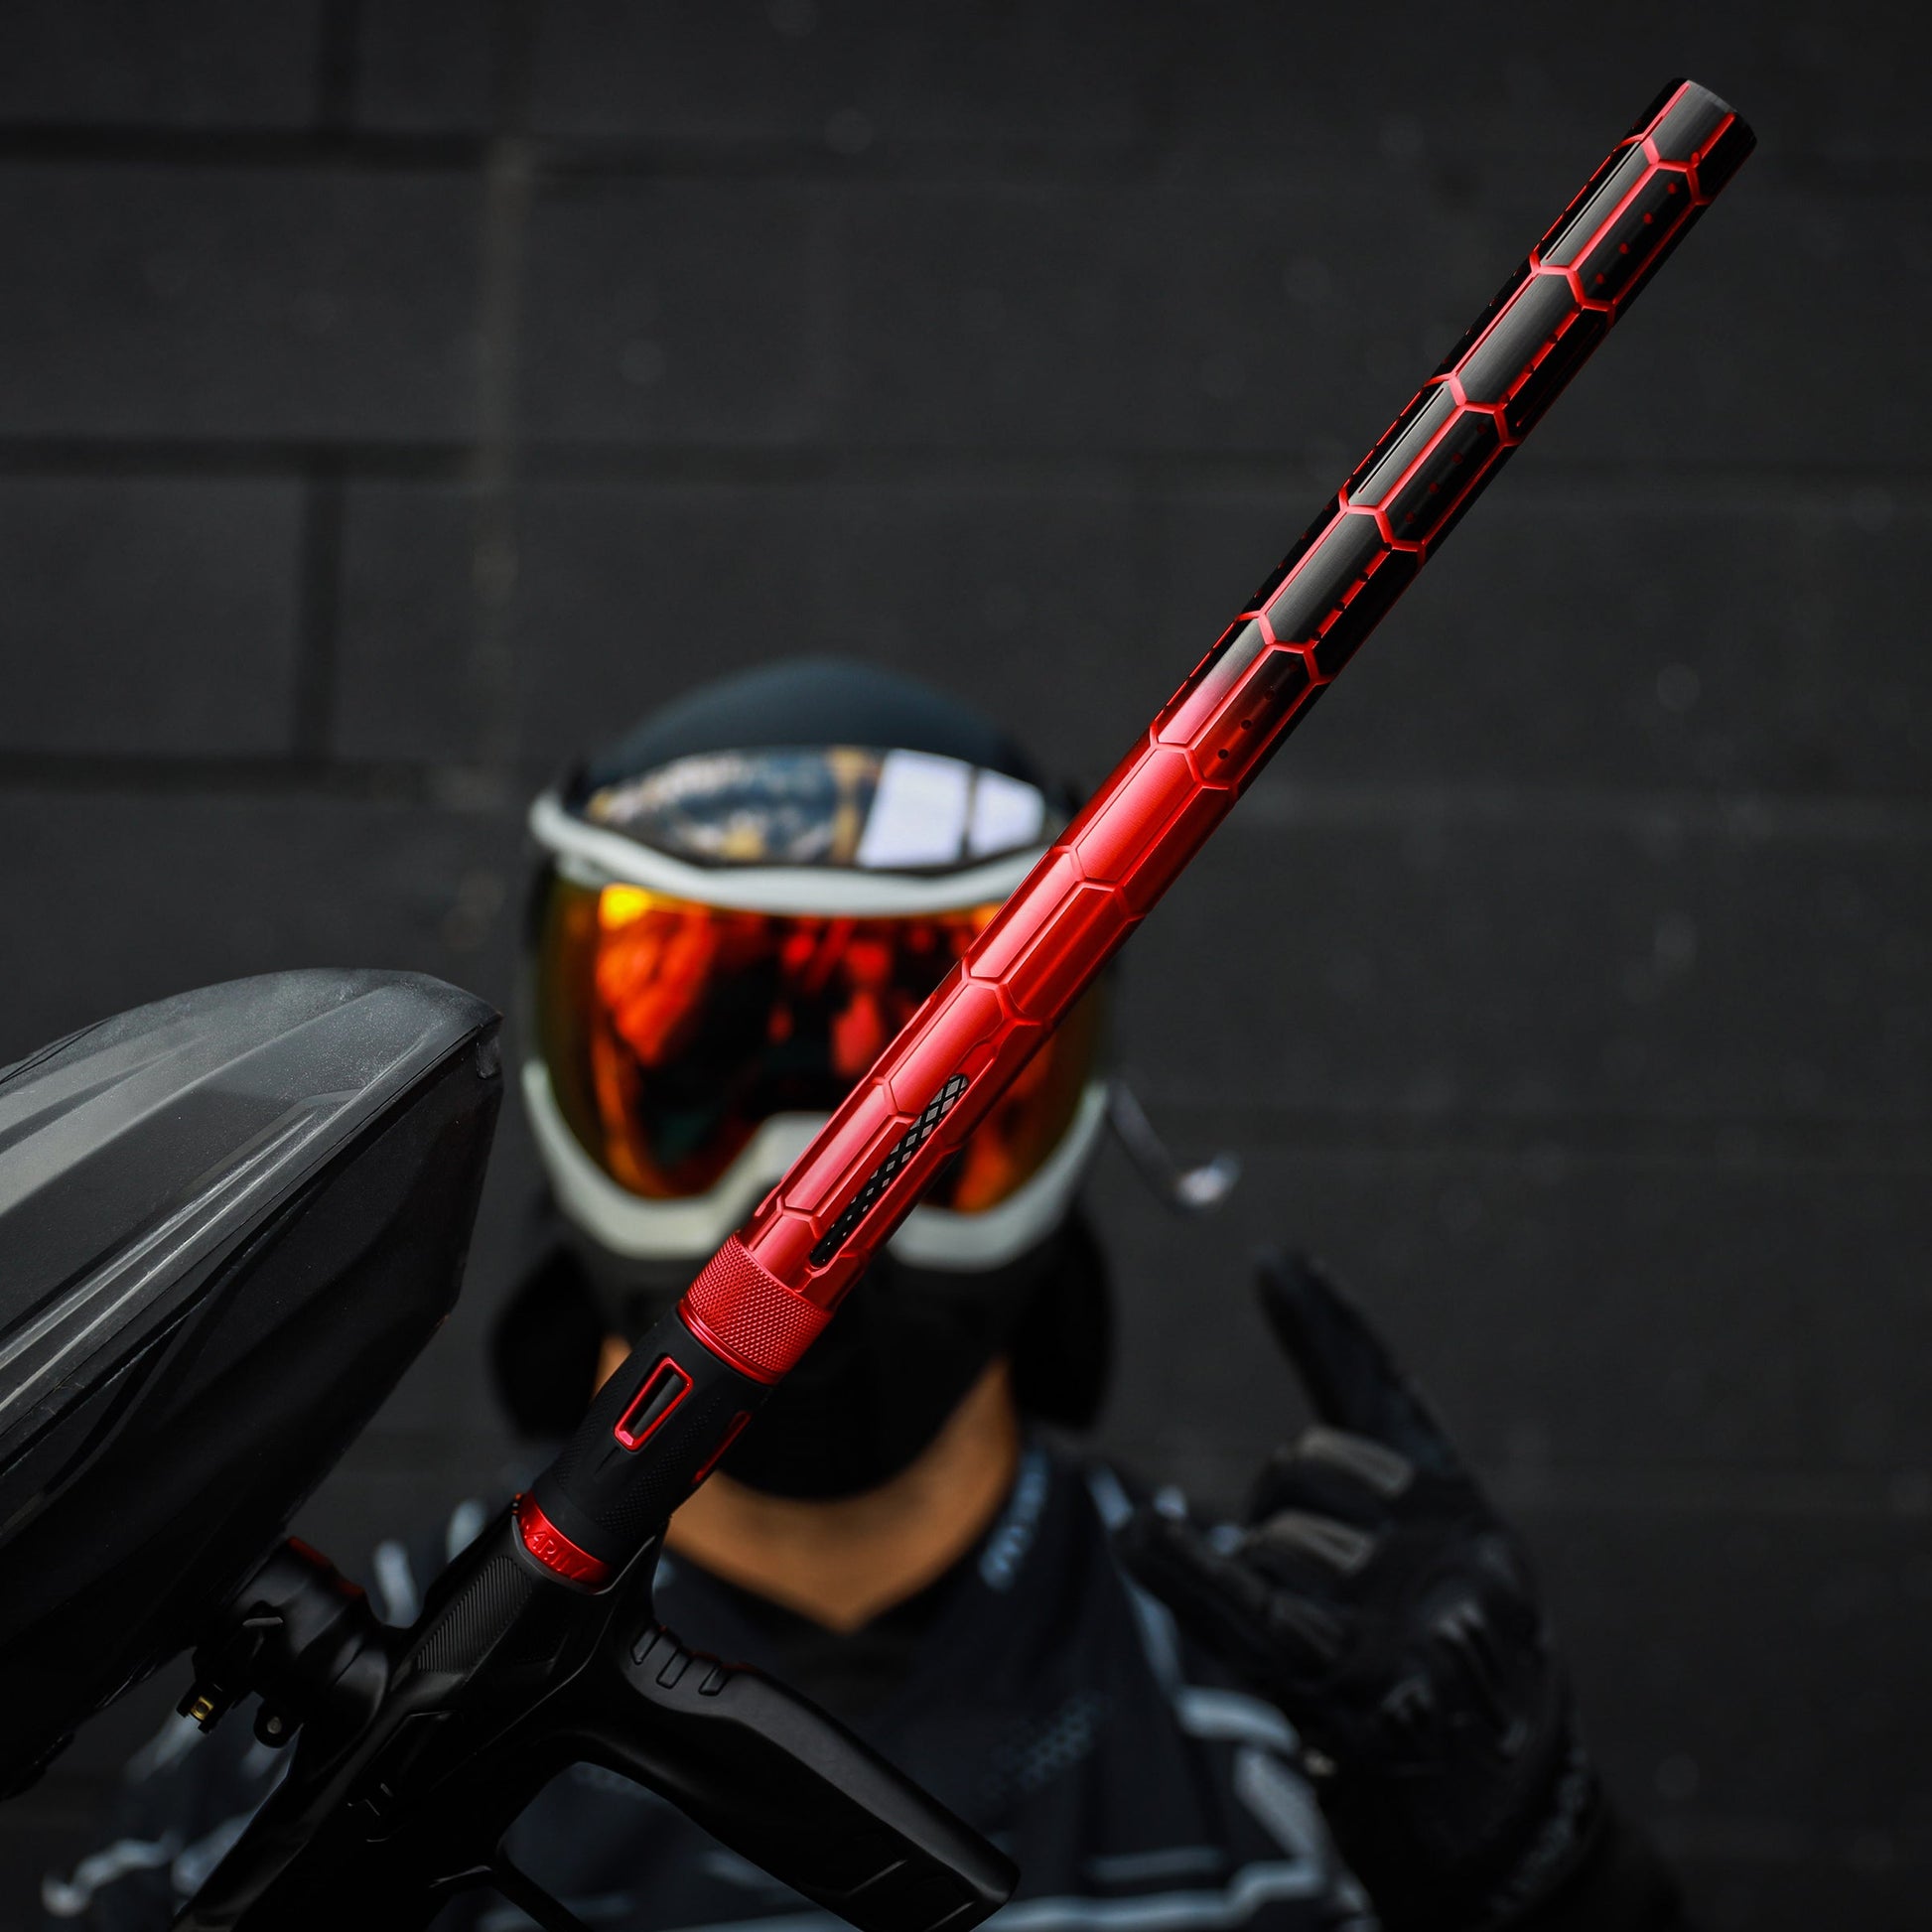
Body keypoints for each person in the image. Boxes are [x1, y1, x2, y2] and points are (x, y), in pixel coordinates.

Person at [45, 661, 1688, 1932]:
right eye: (705, 1058)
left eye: (905, 1083)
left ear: (1062, 1103)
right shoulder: (272, 1759)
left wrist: (1540, 1874)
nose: (804, 1179)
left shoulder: (1290, 1723)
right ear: (561, 1086)